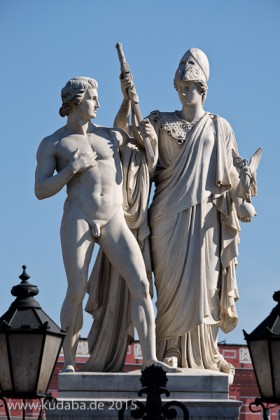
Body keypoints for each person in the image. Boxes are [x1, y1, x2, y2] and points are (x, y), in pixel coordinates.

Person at [115, 48, 259, 373]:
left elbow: (232, 176)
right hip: (166, 214)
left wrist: (244, 186)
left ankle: (206, 352)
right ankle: (172, 349)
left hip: (207, 218)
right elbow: (126, 143)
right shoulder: (159, 121)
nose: (184, 89)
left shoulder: (221, 127)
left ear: (204, 88)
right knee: (168, 288)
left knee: (206, 286)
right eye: (180, 83)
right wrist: (128, 104)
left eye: (191, 84)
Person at [34, 76, 179, 373]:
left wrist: (128, 101)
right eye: (92, 98)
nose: (98, 102)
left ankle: (151, 360)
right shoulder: (55, 142)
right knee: (76, 290)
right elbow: (40, 190)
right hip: (79, 217)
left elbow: (134, 138)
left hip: (113, 218)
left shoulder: (109, 136)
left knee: (140, 284)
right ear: (75, 102)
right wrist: (72, 169)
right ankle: (71, 362)